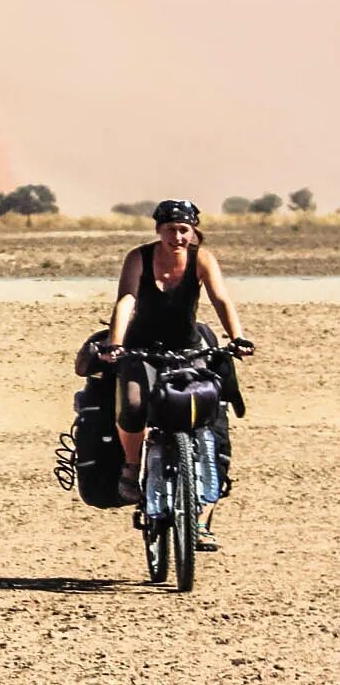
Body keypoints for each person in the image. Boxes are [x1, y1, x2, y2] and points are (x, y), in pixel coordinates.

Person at [98, 198, 254, 545]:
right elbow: (126, 300)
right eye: (171, 230)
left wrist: (237, 337)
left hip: (188, 350)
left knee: (209, 420)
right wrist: (115, 343)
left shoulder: (202, 259)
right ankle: (130, 465)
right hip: (142, 349)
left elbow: (221, 299)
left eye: (185, 230)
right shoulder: (139, 258)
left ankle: (200, 518)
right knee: (135, 405)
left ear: (194, 230)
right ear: (158, 230)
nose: (178, 237)